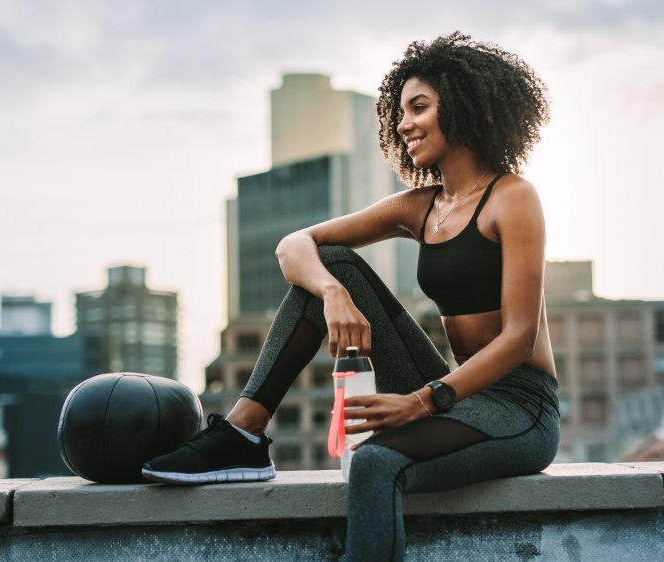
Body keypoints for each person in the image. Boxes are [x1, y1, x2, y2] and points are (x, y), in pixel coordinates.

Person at [143, 31, 559, 561]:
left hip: (519, 408)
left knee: (376, 462)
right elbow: (295, 246)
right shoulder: (421, 206)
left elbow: (521, 338)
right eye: (401, 111)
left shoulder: (513, 198)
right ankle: (244, 433)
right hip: (452, 395)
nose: (404, 123)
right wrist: (332, 291)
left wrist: (420, 401)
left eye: (420, 107)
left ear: (467, 107)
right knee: (330, 260)